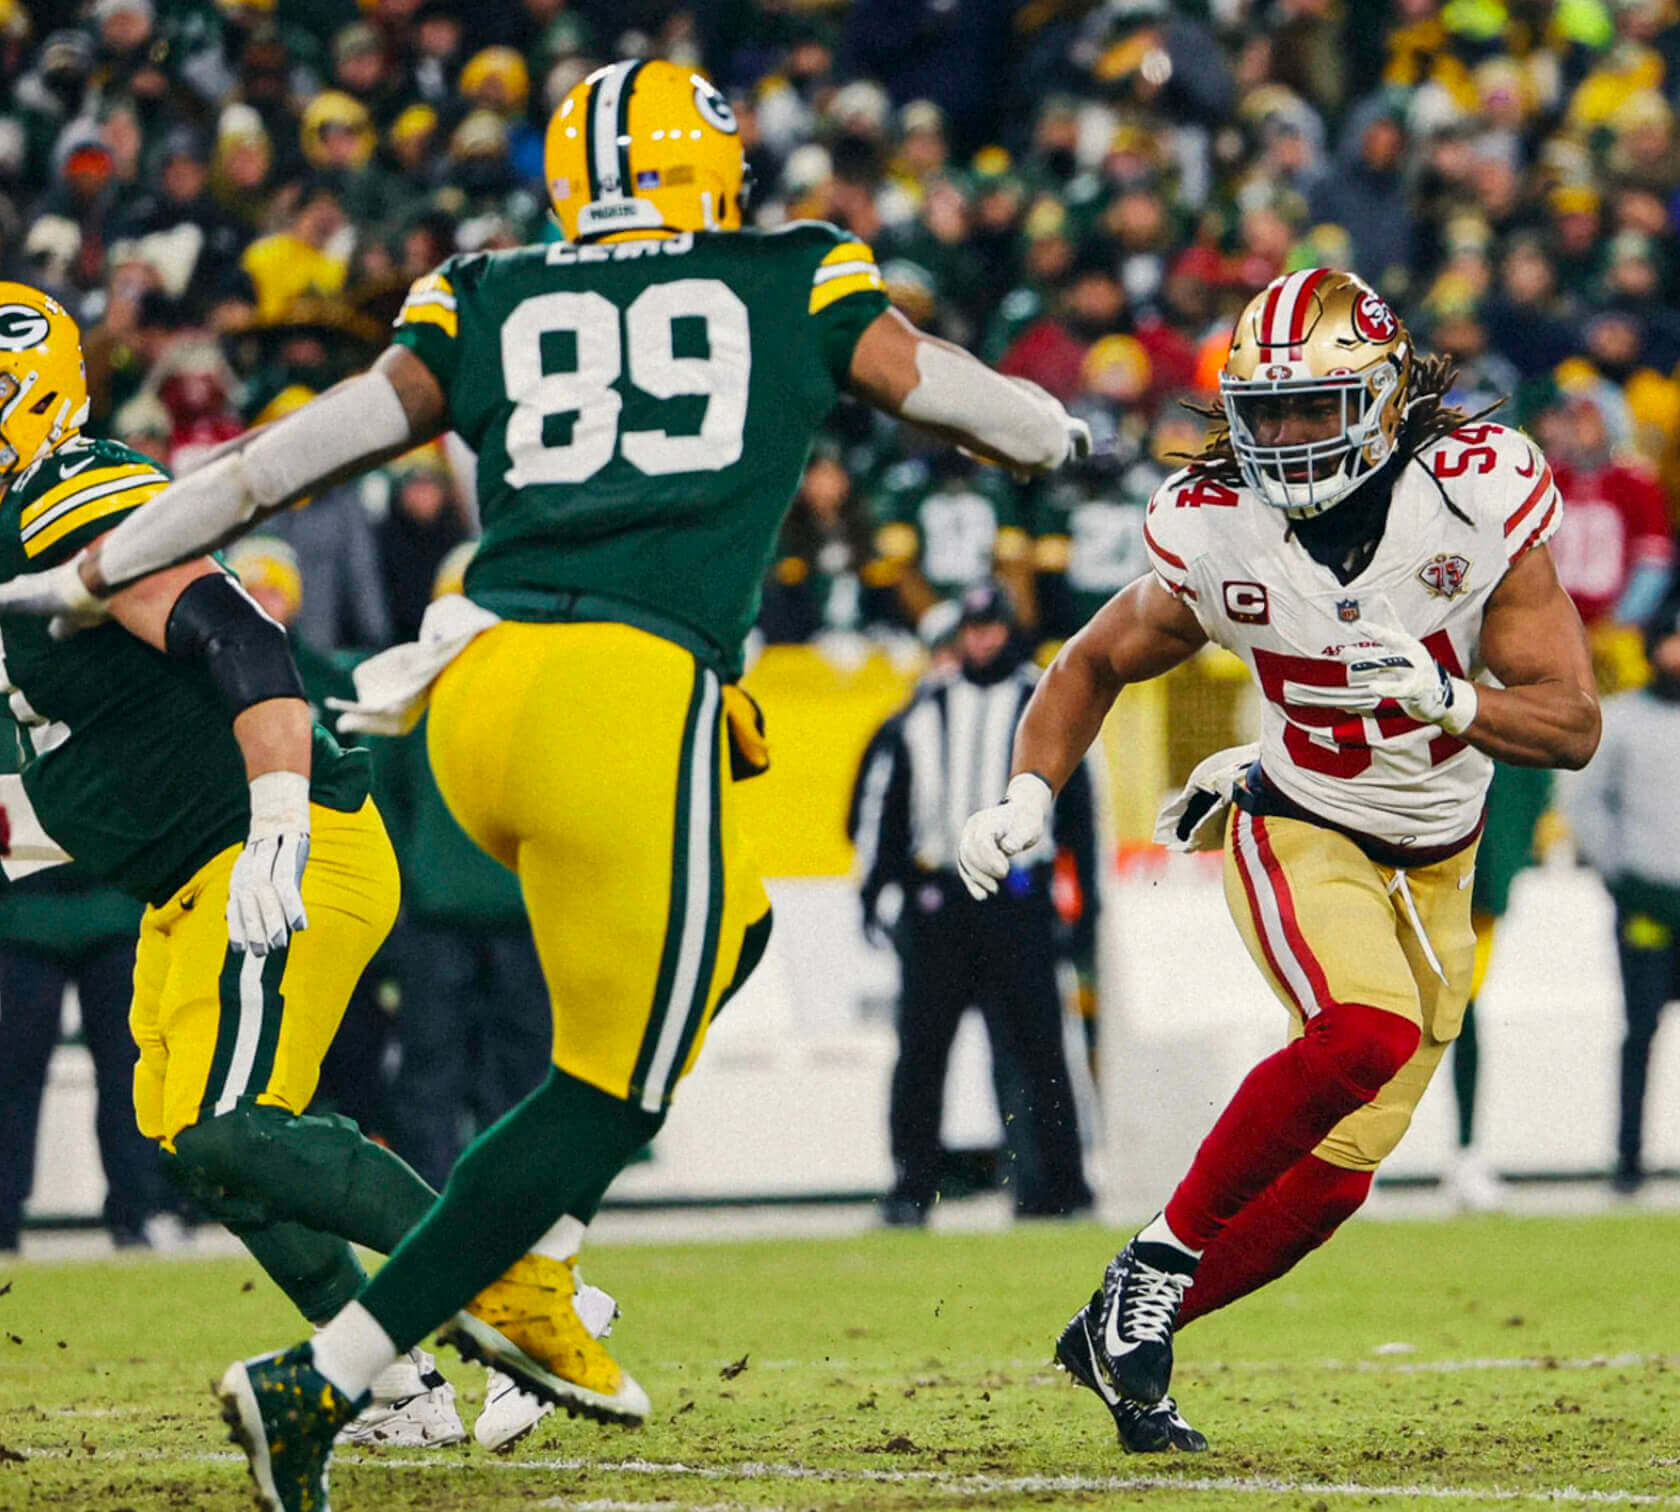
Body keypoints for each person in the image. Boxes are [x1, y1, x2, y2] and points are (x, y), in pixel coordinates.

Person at [0, 61, 1092, 1512]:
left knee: (713, 936)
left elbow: (282, 460)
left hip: (479, 683)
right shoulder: (794, 272)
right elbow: (985, 412)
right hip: (628, 688)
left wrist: (95, 573)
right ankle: (468, 1302)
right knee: (617, 1078)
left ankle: (421, 1330)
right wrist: (1062, 436)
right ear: (704, 171)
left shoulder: (486, 288)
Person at [958, 268, 1599, 1454]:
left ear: (1392, 396)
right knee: (1363, 1033)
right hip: (1300, 817)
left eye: (1319, 408)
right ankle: (1155, 1257)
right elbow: (1091, 661)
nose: (1292, 436)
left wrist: (1452, 699)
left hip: (1442, 853)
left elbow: (1568, 725)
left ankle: (1120, 1328)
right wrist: (1026, 791)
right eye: (1269, 411)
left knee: (1337, 1180)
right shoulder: (1216, 525)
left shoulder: (1474, 502)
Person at [0, 281, 466, 1449]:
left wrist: (276, 821)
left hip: (279, 839)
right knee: (199, 1146)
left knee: (228, 1123)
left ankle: (510, 1289)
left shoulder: (67, 492)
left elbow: (242, 638)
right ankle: (397, 1386)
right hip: (194, 871)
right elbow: (93, 775)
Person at [850, 580, 1096, 1227]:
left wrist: (1085, 907)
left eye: (993, 628)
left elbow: (1081, 815)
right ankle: (911, 1187)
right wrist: (878, 889)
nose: (983, 640)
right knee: (922, 1050)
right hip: (941, 901)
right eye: (974, 629)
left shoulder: (1037, 702)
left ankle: (1054, 1185)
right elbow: (883, 806)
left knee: (1038, 1047)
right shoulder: (923, 710)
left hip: (1018, 899)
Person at [1562, 596, 1680, 1194]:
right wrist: (1621, 875)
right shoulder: (1623, 721)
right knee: (1640, 1031)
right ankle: (1629, 1161)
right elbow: (1584, 803)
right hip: (1646, 901)